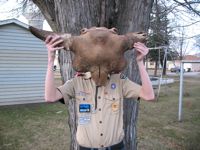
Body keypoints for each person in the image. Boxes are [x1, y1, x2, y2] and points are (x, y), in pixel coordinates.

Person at [44, 35, 155, 150]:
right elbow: (50, 97)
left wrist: (140, 62)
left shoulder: (120, 81)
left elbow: (149, 95)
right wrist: (51, 60)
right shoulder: (77, 83)